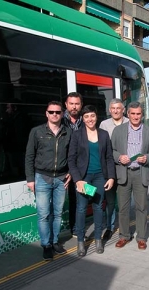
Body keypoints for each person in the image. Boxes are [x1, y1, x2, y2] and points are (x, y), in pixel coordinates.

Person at [25, 101, 71, 261]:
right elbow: (29, 156)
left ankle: (55, 241)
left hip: (61, 178)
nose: (54, 115)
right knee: (44, 214)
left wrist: (70, 172)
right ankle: (46, 245)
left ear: (62, 113)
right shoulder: (37, 132)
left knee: (57, 214)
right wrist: (30, 179)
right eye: (51, 112)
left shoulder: (68, 132)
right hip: (42, 178)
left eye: (58, 112)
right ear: (46, 113)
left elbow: (71, 156)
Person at [69, 105, 116, 256]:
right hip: (84, 178)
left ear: (96, 117)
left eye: (92, 116)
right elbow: (71, 159)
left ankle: (97, 239)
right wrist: (77, 180)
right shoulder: (77, 135)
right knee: (81, 209)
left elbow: (109, 157)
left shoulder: (103, 134)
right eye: (86, 116)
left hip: (99, 177)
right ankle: (81, 241)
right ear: (83, 119)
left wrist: (111, 177)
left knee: (98, 208)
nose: (90, 119)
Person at [111, 101, 149, 250]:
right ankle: (124, 236)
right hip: (124, 172)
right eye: (133, 114)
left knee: (141, 207)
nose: (136, 116)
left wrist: (146, 158)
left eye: (138, 114)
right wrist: (119, 157)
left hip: (140, 172)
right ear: (128, 114)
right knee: (123, 208)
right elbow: (111, 151)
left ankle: (141, 237)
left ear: (142, 115)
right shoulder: (118, 131)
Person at [99, 98, 129, 240]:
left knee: (124, 201)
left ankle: (125, 228)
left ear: (123, 109)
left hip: (126, 168)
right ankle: (110, 227)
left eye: (118, 108)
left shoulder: (130, 122)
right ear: (109, 110)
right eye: (113, 108)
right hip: (109, 169)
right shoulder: (104, 125)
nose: (116, 111)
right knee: (110, 201)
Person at [63, 92, 83, 236]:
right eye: (71, 103)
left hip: (81, 167)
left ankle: (77, 228)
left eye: (77, 104)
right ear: (66, 105)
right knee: (69, 200)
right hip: (64, 167)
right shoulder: (60, 120)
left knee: (79, 200)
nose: (74, 107)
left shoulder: (86, 120)